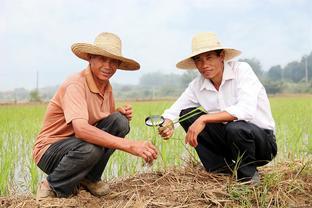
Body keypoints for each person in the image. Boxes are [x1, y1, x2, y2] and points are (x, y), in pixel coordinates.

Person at [33, 32, 158, 200]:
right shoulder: (75, 84)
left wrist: (116, 114)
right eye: (102, 59)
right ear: (90, 58)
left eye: (113, 61)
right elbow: (82, 130)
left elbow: (101, 123)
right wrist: (131, 146)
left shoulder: (107, 87)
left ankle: (90, 178)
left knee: (119, 122)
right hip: (51, 149)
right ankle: (52, 185)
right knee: (91, 148)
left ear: (118, 64)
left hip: (78, 147)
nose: (108, 65)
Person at [158, 32, 277, 183]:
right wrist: (167, 123)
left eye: (209, 58)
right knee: (186, 114)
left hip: (261, 144)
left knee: (236, 127)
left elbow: (246, 109)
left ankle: (249, 178)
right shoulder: (197, 85)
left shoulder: (242, 70)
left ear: (221, 56)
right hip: (230, 142)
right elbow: (175, 110)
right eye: (199, 60)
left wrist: (205, 118)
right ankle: (220, 170)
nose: (204, 65)